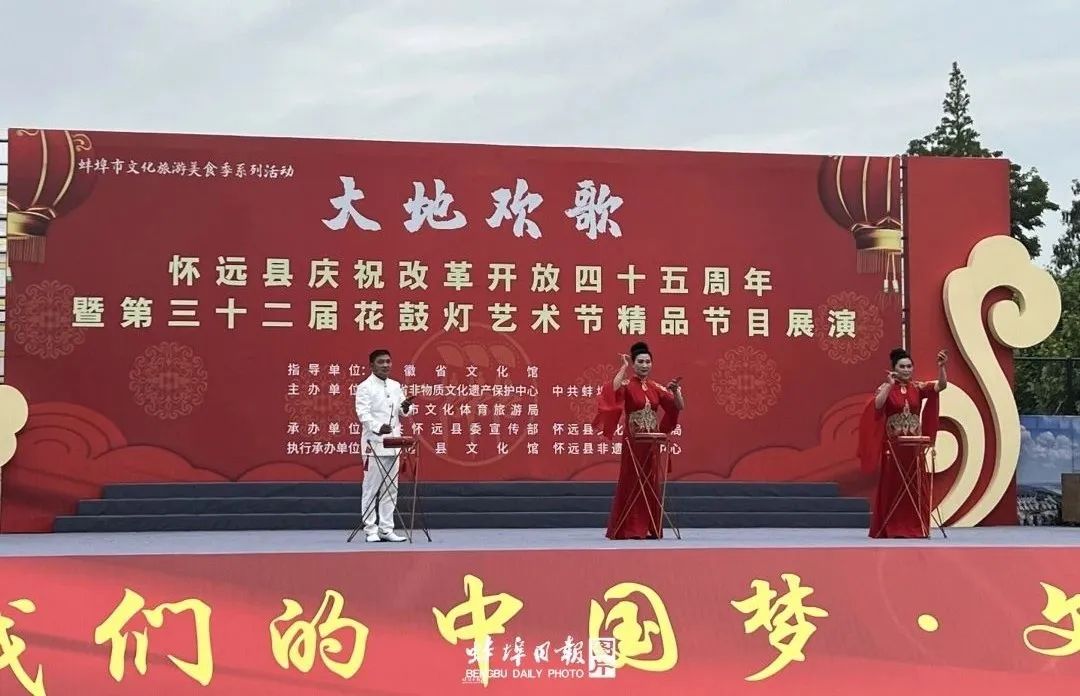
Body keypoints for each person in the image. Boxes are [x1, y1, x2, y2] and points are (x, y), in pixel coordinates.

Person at [593, 341, 685, 540]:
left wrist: (676, 391)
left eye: (648, 362)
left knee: (650, 481)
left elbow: (678, 406)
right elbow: (612, 390)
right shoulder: (627, 385)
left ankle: (649, 526)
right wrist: (623, 367)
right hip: (633, 440)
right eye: (640, 362)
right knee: (631, 479)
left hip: (651, 441)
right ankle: (629, 528)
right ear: (634, 364)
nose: (645, 365)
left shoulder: (656, 387)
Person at [857, 346, 949, 539]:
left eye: (909, 366)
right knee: (892, 486)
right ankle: (891, 526)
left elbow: (941, 386)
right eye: (902, 367)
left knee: (915, 488)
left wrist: (941, 367)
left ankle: (915, 526)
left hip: (914, 447)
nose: (906, 370)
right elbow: (877, 405)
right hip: (893, 447)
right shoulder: (886, 388)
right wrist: (889, 385)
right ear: (894, 368)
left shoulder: (918, 387)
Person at [354, 348, 414, 543]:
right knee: (371, 488)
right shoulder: (365, 387)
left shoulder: (395, 385)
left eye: (388, 361)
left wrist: (406, 407)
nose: (386, 365)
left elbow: (403, 411)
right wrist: (378, 427)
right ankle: (370, 529)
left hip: (394, 443)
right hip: (374, 443)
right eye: (381, 362)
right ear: (372, 365)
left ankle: (386, 529)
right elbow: (363, 414)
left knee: (391, 489)